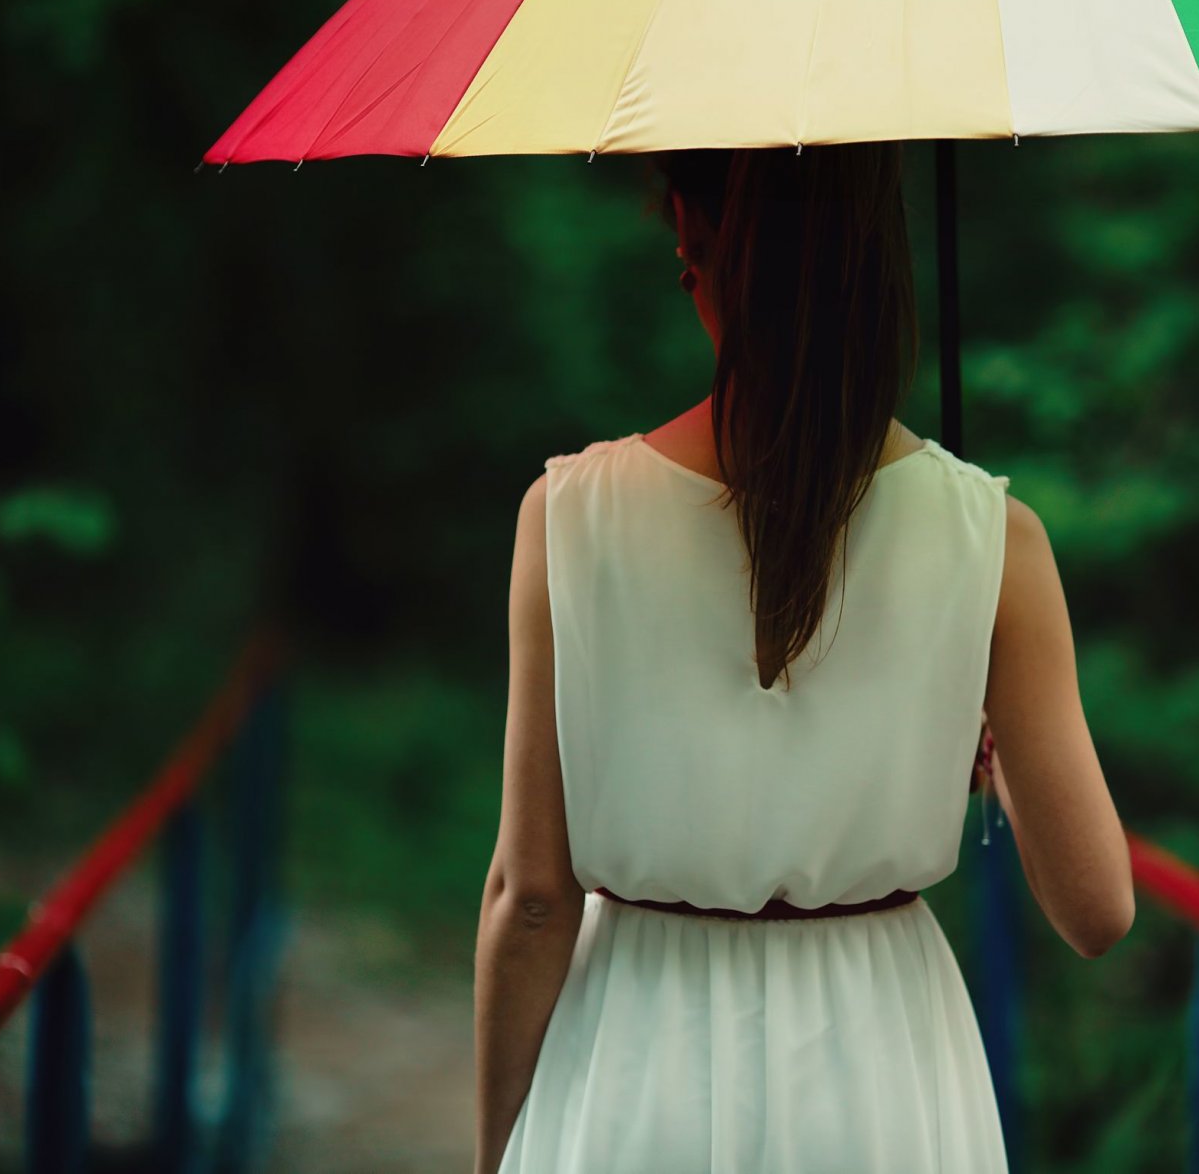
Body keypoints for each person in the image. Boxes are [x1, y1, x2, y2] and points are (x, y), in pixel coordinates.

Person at [472, 143, 1133, 1173]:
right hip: (885, 1074)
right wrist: (986, 742)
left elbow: (536, 896)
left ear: (699, 246)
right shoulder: (996, 538)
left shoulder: (568, 517)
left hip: (636, 1066)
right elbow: (1097, 910)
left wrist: (493, 1151)